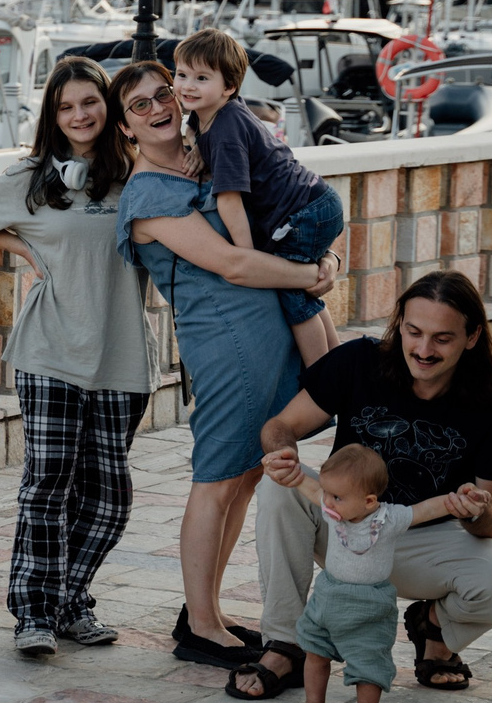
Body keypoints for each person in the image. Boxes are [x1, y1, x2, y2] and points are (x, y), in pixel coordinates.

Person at [111, 60, 334, 670]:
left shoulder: (203, 158)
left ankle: (203, 605)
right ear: (125, 128)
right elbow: (233, 265)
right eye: (140, 105)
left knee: (246, 475)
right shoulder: (148, 194)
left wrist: (318, 262)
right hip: (228, 349)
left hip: (265, 339)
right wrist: (310, 276)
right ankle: (201, 626)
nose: (159, 108)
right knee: (214, 480)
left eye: (164, 95)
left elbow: (270, 212)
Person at [242, 270, 492, 701]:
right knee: (280, 489)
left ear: (471, 337)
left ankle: (435, 631)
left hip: (424, 540)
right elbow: (281, 426)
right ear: (400, 325)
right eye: (414, 332)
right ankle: (286, 644)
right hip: (343, 527)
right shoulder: (359, 361)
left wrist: (478, 510)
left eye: (442, 339)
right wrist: (282, 453)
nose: (424, 350)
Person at [0, 57, 152, 657]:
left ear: (108, 106)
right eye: (66, 107)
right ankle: (37, 615)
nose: (79, 115)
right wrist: (25, 252)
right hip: (49, 351)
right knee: (47, 487)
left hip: (122, 355)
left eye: (89, 102)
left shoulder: (138, 176)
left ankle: (68, 597)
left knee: (109, 497)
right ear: (52, 115)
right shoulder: (33, 177)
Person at [277, 444, 488, 703]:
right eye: (327, 493)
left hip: (369, 605)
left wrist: (456, 500)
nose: (327, 501)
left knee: (369, 660)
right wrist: (296, 476)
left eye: (336, 496)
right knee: (315, 652)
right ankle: (314, 702)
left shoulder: (387, 520)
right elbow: (313, 491)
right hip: (327, 596)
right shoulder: (331, 510)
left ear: (368, 501)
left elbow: (425, 509)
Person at [171, 27, 345, 365]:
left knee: (291, 295)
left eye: (202, 77)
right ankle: (339, 369)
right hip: (314, 201)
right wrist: (196, 146)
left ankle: (321, 378)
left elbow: (230, 199)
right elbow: (194, 127)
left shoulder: (225, 129)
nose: (188, 85)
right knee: (305, 291)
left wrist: (248, 258)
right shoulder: (208, 115)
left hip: (304, 213)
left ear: (229, 87)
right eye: (181, 74)